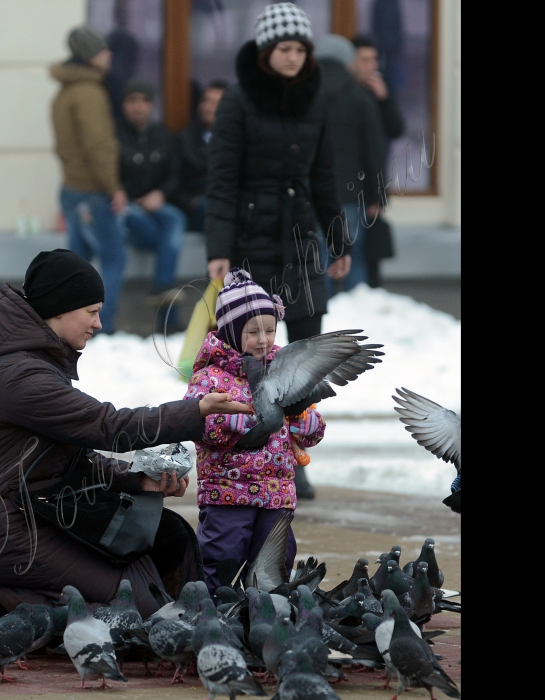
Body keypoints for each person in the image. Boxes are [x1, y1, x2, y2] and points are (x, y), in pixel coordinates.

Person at [0, 249, 252, 624]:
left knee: (163, 539)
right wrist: (195, 412)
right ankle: (1, 600)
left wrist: (137, 480)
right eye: (91, 311)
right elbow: (107, 426)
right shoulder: (22, 378)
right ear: (60, 309)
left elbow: (73, 458)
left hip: (37, 514)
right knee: (135, 605)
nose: (98, 323)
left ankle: (17, 594)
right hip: (10, 531)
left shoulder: (36, 365)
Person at [204, 3, 350, 499]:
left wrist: (337, 240)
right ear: (267, 52)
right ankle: (241, 443)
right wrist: (219, 249)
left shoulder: (316, 97)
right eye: (284, 49)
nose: (293, 57)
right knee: (253, 357)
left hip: (302, 243)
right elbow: (221, 180)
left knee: (307, 358)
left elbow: (325, 175)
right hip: (249, 246)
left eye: (300, 49)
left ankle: (297, 456)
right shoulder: (239, 100)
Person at [183, 268, 326, 595]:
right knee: (223, 554)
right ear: (232, 331)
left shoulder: (286, 373)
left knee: (275, 557)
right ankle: (216, 609)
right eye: (253, 331)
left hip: (276, 493)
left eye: (270, 330)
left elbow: (314, 432)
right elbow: (195, 420)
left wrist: (303, 421)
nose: (263, 339)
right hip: (228, 491)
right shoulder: (211, 376)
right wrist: (243, 420)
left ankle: (265, 611)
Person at [50, 25, 128, 336]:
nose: (109, 54)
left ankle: (71, 327)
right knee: (113, 258)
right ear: (90, 56)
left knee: (78, 267)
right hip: (94, 193)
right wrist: (114, 188)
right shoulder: (89, 93)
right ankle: (102, 326)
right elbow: (99, 147)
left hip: (71, 188)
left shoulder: (65, 92)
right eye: (103, 49)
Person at [314, 34, 386, 297]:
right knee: (353, 255)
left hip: (313, 192)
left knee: (318, 257)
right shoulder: (360, 98)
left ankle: (322, 310)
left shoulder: (305, 96)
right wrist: (378, 195)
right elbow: (375, 151)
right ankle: (358, 314)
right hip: (352, 192)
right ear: (348, 62)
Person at [116, 78, 188, 331]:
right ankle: (167, 312)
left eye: (144, 101)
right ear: (123, 104)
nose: (138, 107)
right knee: (162, 240)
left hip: (156, 204)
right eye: (132, 100)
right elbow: (109, 175)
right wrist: (128, 195)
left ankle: (162, 287)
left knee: (176, 219)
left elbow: (175, 175)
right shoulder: (115, 136)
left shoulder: (162, 135)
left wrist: (160, 193)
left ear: (152, 105)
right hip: (127, 207)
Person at [350, 34, 406, 288]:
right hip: (348, 184)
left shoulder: (376, 93)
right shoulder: (343, 95)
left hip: (371, 184)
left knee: (369, 252)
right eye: (365, 60)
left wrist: (384, 99)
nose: (371, 66)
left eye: (374, 59)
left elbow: (395, 129)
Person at [173, 79, 230, 234]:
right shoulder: (184, 140)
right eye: (206, 101)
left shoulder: (240, 141)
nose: (209, 108)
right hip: (198, 210)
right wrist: (192, 201)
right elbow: (173, 183)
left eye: (216, 103)